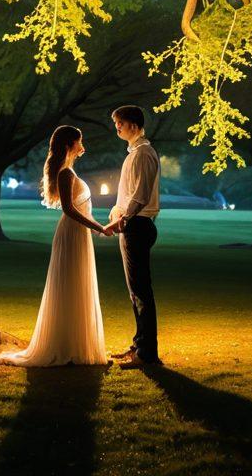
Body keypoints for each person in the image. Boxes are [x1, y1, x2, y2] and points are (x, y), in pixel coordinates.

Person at [0, 125, 107, 366]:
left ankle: (76, 347)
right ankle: (66, 347)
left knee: (76, 285)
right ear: (69, 145)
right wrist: (99, 227)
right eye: (80, 142)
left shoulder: (67, 172)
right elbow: (69, 209)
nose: (83, 147)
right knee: (70, 286)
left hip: (78, 234)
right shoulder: (66, 174)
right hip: (72, 233)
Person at [103, 105, 161, 367]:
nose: (117, 127)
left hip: (137, 225)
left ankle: (147, 353)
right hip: (131, 224)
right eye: (116, 123)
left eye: (120, 123)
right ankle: (139, 345)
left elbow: (141, 194)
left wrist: (123, 218)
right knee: (134, 291)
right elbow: (125, 195)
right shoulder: (134, 153)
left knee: (140, 291)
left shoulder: (144, 153)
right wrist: (117, 214)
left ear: (134, 125)